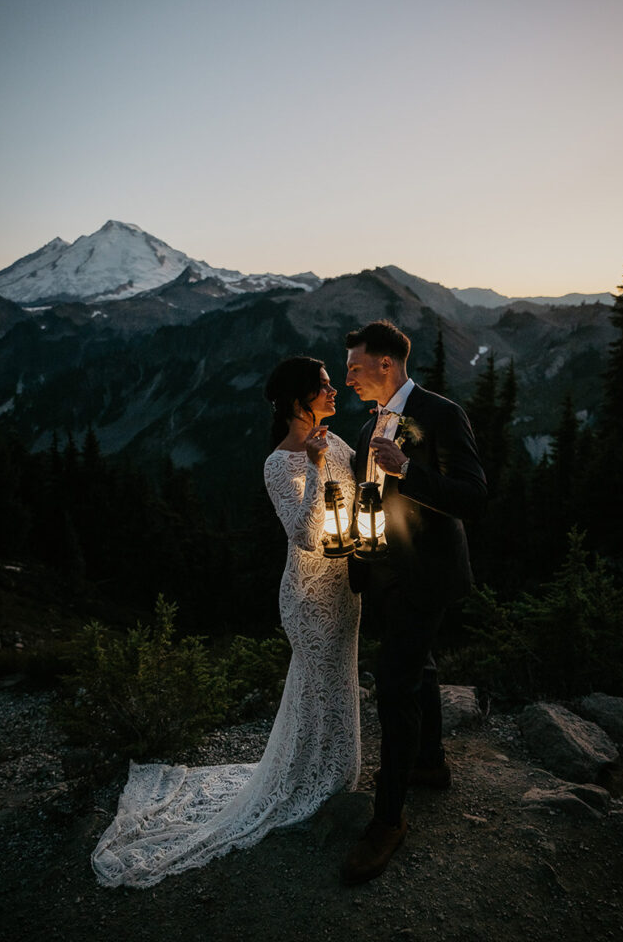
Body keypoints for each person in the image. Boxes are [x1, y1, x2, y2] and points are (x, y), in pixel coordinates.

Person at [92, 356, 360, 888]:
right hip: (309, 593)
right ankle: (309, 785)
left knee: (338, 682)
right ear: (297, 399)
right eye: (325, 386)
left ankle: (336, 775)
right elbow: (305, 535)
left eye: (332, 383)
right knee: (317, 684)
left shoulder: (341, 445)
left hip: (346, 588)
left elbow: (358, 505)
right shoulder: (279, 463)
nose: (335, 391)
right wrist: (311, 469)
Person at [341, 320, 487, 885]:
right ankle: (429, 764)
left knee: (396, 683)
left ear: (386, 364)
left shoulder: (441, 413)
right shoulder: (367, 425)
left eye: (355, 367)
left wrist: (408, 469)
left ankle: (388, 822)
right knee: (418, 667)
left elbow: (473, 499)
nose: (348, 377)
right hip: (383, 573)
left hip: (427, 575)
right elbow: (367, 498)